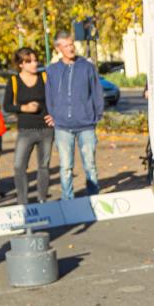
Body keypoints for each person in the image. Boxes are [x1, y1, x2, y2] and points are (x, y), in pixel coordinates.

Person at [46, 34, 104, 199]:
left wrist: (97, 115)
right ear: (58, 48)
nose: (70, 48)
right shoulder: (52, 70)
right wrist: (53, 114)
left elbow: (96, 91)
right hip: (62, 126)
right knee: (65, 167)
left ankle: (93, 197)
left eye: (71, 44)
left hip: (86, 124)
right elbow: (49, 95)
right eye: (66, 45)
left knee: (90, 165)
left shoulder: (87, 67)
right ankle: (68, 200)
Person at [8, 47, 54, 207]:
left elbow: (55, 99)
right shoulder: (14, 81)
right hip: (25, 130)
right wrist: (24, 108)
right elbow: (7, 105)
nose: (34, 64)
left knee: (43, 166)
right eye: (29, 61)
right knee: (19, 166)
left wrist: (54, 115)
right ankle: (23, 202)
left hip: (46, 130)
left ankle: (42, 200)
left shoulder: (44, 77)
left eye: (35, 60)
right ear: (21, 64)